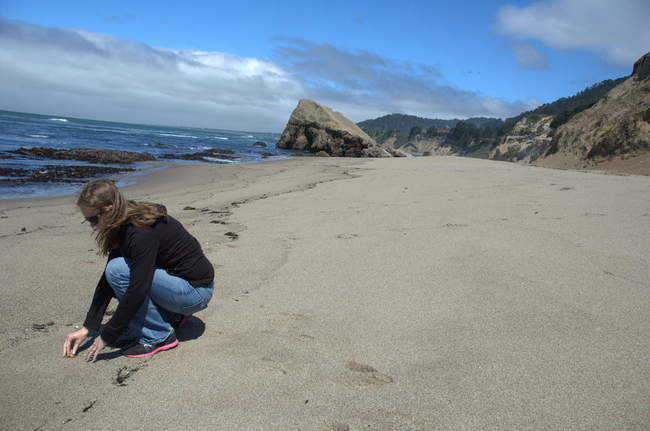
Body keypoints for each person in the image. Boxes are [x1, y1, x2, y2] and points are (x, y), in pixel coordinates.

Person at [62, 179, 215, 362]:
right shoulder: (123, 220)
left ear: (109, 209)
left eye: (93, 219)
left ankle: (159, 336)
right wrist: (88, 327)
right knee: (116, 270)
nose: (92, 225)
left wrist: (107, 336)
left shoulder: (140, 232)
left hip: (195, 292)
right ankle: (171, 315)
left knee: (118, 270)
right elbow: (106, 283)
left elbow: (137, 289)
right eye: (87, 220)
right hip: (180, 284)